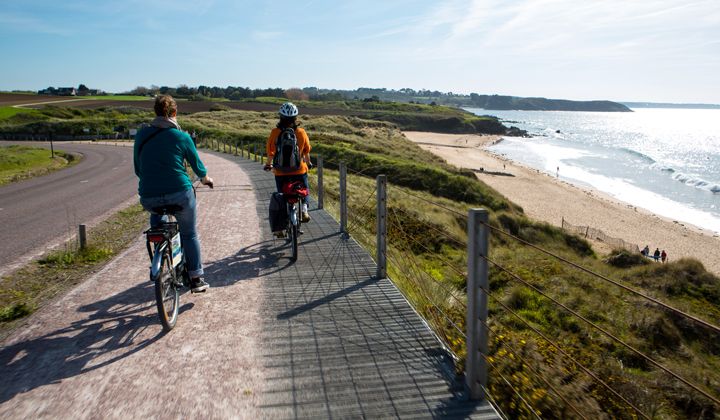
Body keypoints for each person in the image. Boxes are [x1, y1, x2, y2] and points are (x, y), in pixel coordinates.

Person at [133, 95, 214, 293]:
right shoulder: (182, 137)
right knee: (189, 233)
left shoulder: (142, 135)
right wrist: (206, 180)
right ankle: (196, 278)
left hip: (149, 196)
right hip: (180, 193)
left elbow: (138, 169)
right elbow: (198, 167)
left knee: (157, 218)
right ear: (175, 113)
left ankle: (160, 254)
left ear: (155, 112)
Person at [264, 102, 312, 233]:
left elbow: (271, 152)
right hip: (299, 170)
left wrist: (268, 165)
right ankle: (304, 210)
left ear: (280, 117)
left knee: (282, 195)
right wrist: (308, 163)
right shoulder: (301, 132)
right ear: (295, 118)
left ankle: (281, 226)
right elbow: (306, 151)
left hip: (280, 172)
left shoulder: (275, 132)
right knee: (305, 189)